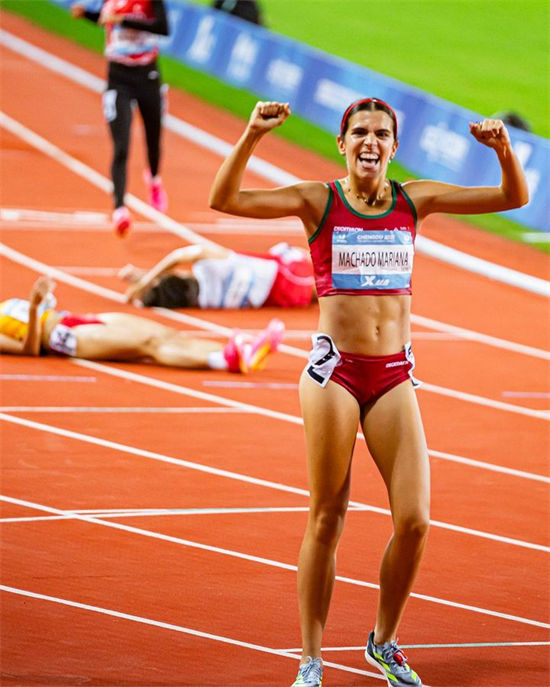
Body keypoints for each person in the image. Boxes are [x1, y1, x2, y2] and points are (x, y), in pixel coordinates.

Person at [208, 99, 529, 687]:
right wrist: (252, 134)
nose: (370, 142)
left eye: (382, 134)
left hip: (393, 375)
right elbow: (225, 200)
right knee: (328, 515)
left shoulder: (414, 200)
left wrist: (503, 151)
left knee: (415, 519)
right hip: (335, 374)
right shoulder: (318, 200)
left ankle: (383, 642)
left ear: (394, 147)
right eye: (360, 132)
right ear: (342, 142)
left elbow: (513, 199)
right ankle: (310, 659)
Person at [0, 276, 284, 373]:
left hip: (73, 319)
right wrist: (36, 306)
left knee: (161, 332)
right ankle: (224, 361)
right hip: (65, 338)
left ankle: (238, 352)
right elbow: (29, 350)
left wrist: (44, 300)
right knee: (148, 345)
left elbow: (37, 314)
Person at [70, 0, 170, 237]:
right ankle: (119, 209)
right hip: (118, 79)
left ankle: (154, 179)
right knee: (121, 146)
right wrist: (87, 14)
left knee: (153, 141)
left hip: (148, 77)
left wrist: (123, 20)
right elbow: (107, 19)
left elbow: (163, 27)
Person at [119, 241, 315, 308]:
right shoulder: (210, 265)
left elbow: (182, 280)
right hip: (282, 276)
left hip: (276, 295)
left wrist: (145, 278)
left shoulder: (203, 301)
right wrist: (145, 280)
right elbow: (178, 256)